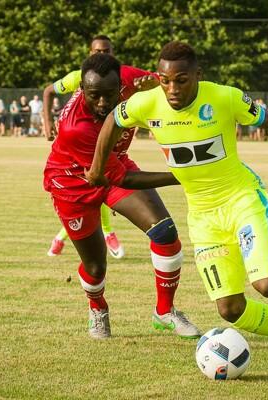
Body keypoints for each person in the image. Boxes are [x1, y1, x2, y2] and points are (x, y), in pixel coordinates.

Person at [88, 41, 268, 366]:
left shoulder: (225, 97)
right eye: (164, 80)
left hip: (242, 200)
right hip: (202, 216)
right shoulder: (146, 104)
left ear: (198, 75)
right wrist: (97, 169)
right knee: (231, 309)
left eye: (181, 80)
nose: (172, 88)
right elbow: (113, 121)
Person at [43, 53, 200, 340]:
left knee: (164, 233)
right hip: (72, 183)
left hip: (113, 163)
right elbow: (122, 178)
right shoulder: (77, 128)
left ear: (121, 84)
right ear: (81, 89)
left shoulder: (131, 78)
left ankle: (164, 312)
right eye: (94, 96)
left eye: (109, 95)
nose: (103, 104)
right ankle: (98, 308)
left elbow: (169, 84)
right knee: (95, 266)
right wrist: (184, 174)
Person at [44, 35, 132, 258]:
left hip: (102, 147)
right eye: (97, 51)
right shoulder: (78, 76)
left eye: (106, 51)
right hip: (78, 149)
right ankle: (108, 233)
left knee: (98, 186)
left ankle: (62, 239)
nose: (101, 55)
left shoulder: (121, 78)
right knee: (89, 193)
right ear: (89, 52)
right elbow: (49, 91)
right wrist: (48, 121)